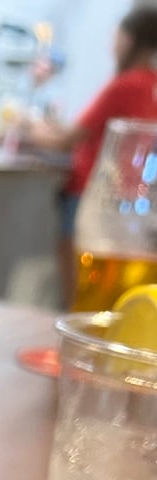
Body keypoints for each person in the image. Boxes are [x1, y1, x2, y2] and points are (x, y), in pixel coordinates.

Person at [22, 8, 157, 305]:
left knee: (80, 295)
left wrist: (27, 130)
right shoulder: (151, 85)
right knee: (115, 300)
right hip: (131, 205)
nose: (113, 44)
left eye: (117, 37)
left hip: (90, 195)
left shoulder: (126, 84)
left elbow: (67, 141)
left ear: (129, 40)